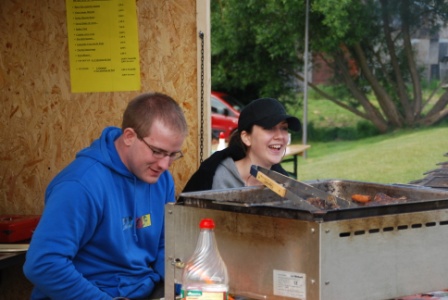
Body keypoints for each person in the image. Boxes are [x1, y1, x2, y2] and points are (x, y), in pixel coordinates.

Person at [23, 92, 188, 300]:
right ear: (129, 136)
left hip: (143, 290)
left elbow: (165, 246)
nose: (164, 165)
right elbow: (43, 264)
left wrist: (185, 286)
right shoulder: (80, 185)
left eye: (173, 155)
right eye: (157, 151)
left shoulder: (161, 179)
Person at [183, 97, 301, 192]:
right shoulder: (217, 178)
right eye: (269, 128)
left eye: (284, 128)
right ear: (246, 137)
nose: (280, 136)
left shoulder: (281, 182)